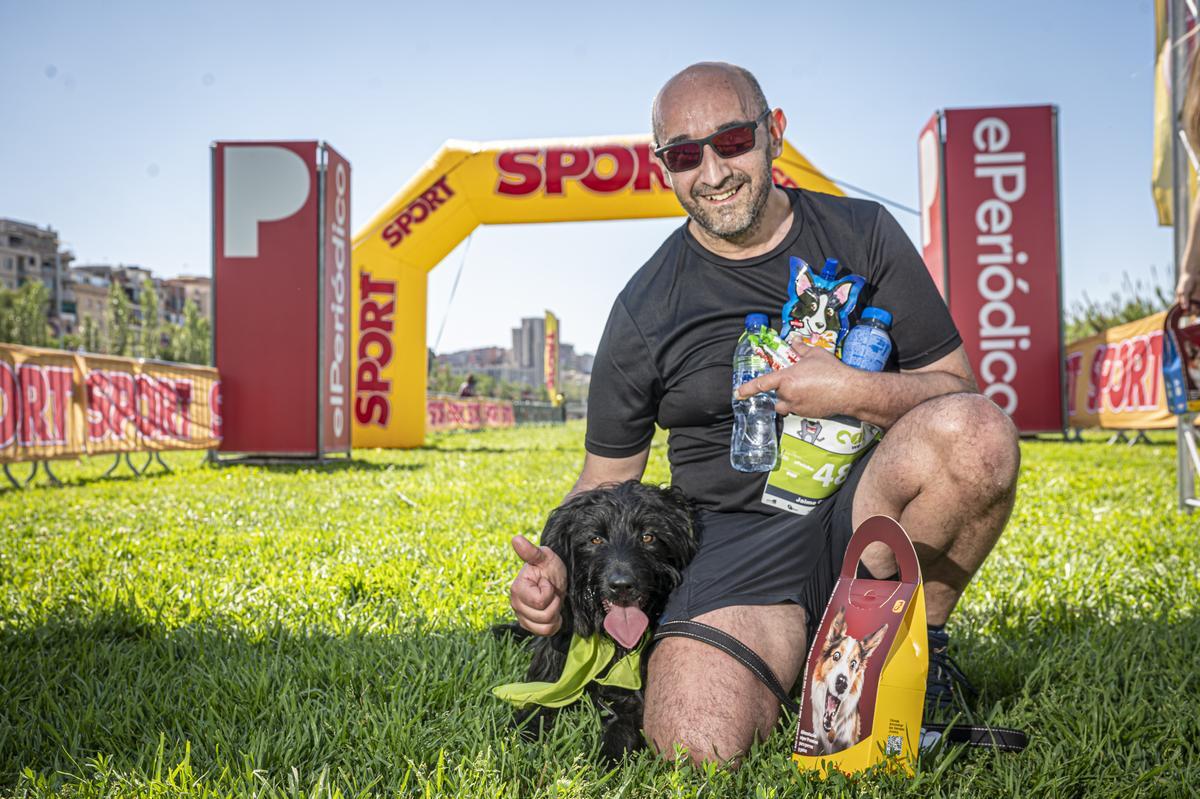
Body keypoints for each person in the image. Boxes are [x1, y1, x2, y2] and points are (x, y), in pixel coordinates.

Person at [507, 62, 1020, 765]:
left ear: (774, 133)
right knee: (694, 739)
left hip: (864, 509)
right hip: (732, 542)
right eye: (685, 154)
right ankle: (808, 656)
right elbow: (604, 474)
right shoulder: (644, 305)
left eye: (732, 139)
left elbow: (958, 388)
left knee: (978, 440)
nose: (713, 170)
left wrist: (851, 390)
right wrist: (555, 573)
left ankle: (914, 653)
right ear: (665, 168)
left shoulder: (863, 231)